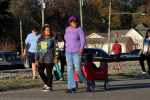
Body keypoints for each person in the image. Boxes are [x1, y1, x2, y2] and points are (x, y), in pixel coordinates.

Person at [64, 15, 90, 93]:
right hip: (68, 52)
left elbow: (83, 40)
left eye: (76, 22)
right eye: (74, 22)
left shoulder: (80, 29)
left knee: (78, 69)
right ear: (70, 23)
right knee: (69, 69)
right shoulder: (67, 29)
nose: (75, 23)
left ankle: (86, 82)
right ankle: (71, 88)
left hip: (77, 52)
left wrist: (81, 49)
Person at [35, 26, 59, 92]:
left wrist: (56, 58)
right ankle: (46, 83)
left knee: (49, 72)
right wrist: (36, 59)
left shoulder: (53, 39)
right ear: (43, 31)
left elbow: (56, 49)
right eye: (47, 30)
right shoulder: (40, 39)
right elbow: (37, 50)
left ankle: (49, 86)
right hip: (41, 59)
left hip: (50, 58)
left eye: (49, 30)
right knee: (40, 72)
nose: (49, 31)